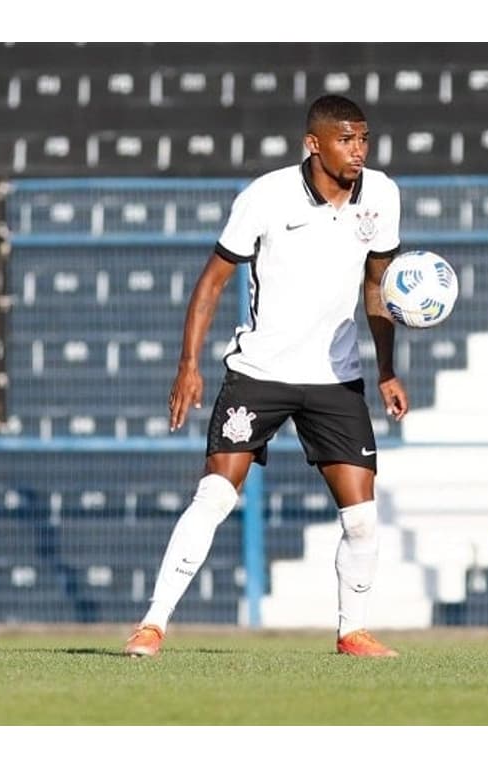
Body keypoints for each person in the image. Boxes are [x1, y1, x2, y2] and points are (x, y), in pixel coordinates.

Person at [123, 94, 408, 658]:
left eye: (364, 139)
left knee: (362, 519)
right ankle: (152, 624)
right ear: (314, 143)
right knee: (213, 495)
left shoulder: (382, 194)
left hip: (335, 378)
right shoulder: (266, 196)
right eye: (346, 140)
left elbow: (376, 287)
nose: (358, 151)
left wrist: (386, 370)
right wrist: (189, 366)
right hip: (260, 373)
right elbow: (211, 284)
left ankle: (351, 632)